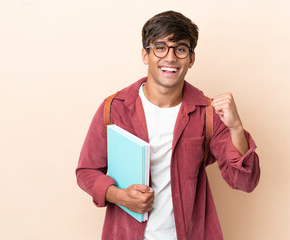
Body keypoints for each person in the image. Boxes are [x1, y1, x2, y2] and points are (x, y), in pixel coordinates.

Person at [76, 10, 260, 240]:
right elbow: (86, 171)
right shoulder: (115, 108)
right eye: (160, 47)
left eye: (180, 49)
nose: (170, 58)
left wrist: (235, 128)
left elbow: (245, 182)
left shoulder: (209, 114)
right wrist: (118, 195)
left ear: (191, 58)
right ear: (146, 54)